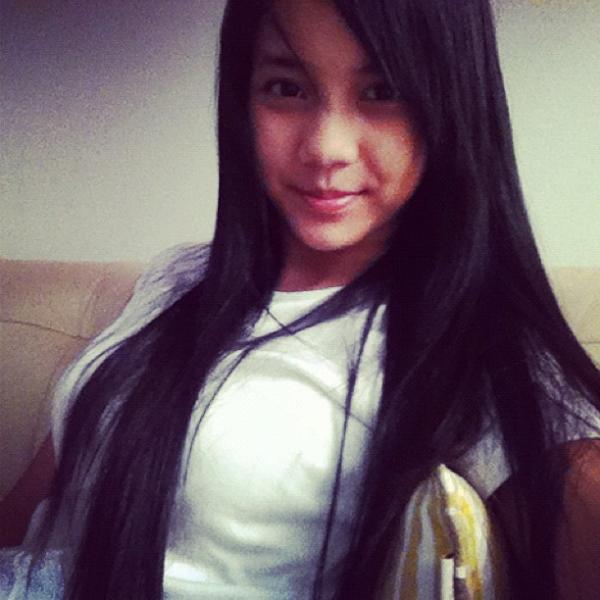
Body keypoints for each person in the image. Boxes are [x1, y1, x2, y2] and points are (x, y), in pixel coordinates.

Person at [1, 0, 599, 598]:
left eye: (383, 90)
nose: (326, 147)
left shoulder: (480, 342)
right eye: (287, 88)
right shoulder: (177, 278)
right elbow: (45, 495)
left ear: (453, 105)